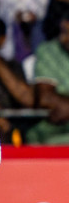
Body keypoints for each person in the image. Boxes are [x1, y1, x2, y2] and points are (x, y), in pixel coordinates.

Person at [27, 13, 69, 144]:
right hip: (54, 134)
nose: (64, 38)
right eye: (63, 31)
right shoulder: (49, 50)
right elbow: (45, 98)